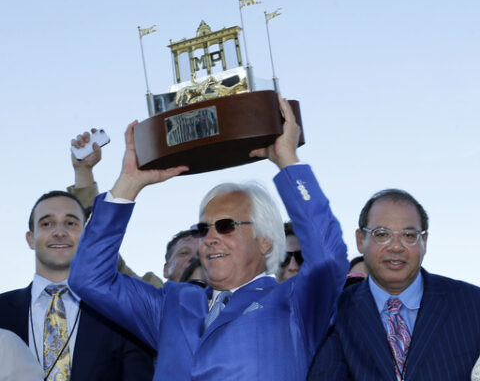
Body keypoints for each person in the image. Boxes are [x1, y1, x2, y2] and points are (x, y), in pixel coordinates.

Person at [68, 95, 349, 381]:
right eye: (204, 229)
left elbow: (327, 257)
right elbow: (88, 278)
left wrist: (288, 161)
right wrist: (128, 183)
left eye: (226, 226)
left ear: (265, 240)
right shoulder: (173, 305)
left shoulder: (294, 304)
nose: (210, 238)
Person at [308, 189, 480, 381]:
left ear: (424, 241)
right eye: (381, 234)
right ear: (360, 240)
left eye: (409, 235)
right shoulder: (334, 314)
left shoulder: (472, 304)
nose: (396, 246)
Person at [0, 191, 154, 380]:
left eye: (71, 223)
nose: (59, 232)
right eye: (47, 224)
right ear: (30, 239)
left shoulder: (120, 314)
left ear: (86, 237)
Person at [69, 129, 163, 287]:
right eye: (184, 253)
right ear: (168, 268)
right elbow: (96, 252)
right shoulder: (153, 296)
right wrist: (83, 172)